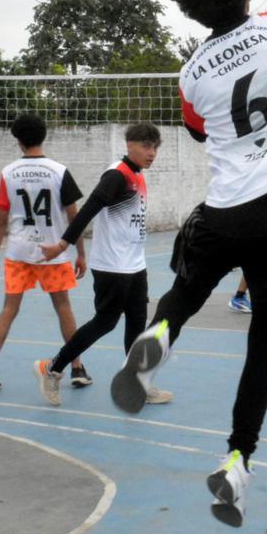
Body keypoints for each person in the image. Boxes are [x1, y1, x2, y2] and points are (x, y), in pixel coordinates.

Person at [108, 0, 267, 528]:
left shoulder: (191, 74)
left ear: (192, 8)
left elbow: (203, 131)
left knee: (186, 289)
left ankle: (160, 335)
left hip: (225, 207)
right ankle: (238, 460)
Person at [33, 124, 169, 407]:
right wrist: (63, 244)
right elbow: (88, 209)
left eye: (155, 147)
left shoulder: (137, 175)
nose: (152, 153)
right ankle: (52, 368)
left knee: (137, 323)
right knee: (105, 322)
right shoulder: (117, 175)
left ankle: (136, 383)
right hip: (112, 266)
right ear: (129, 144)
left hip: (134, 264)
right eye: (146, 146)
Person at [0, 112, 90, 392]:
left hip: (19, 252)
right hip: (53, 252)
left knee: (8, 309)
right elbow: (75, 217)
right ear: (44, 136)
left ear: (18, 140)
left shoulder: (8, 173)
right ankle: (77, 367)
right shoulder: (59, 171)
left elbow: (1, 221)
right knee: (63, 307)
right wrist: (81, 253)